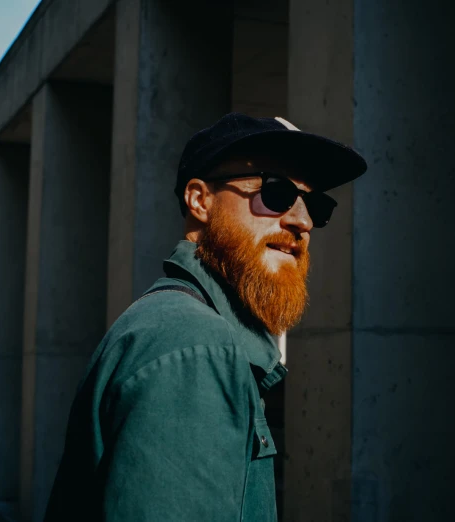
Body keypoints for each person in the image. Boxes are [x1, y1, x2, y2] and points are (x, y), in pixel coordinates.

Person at [43, 113, 367, 521]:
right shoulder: (194, 347)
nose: (301, 221)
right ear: (200, 200)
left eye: (315, 205)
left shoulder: (184, 327)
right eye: (277, 192)